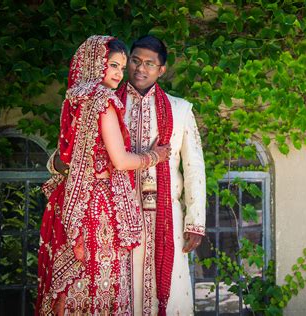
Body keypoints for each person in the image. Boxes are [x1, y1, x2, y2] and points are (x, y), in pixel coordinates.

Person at [35, 35, 171, 315]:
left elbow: (64, 158)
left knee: (72, 283)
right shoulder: (103, 101)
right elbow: (120, 160)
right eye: (112, 65)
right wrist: (155, 156)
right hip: (98, 208)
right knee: (100, 280)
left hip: (72, 201)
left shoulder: (74, 99)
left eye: (122, 67)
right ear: (95, 64)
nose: (119, 75)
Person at [115, 35, 206, 315]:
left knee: (167, 293)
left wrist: (196, 222)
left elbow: (194, 168)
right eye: (135, 61)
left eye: (149, 64)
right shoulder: (110, 105)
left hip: (167, 217)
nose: (140, 69)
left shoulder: (180, 109)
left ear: (161, 70)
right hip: (116, 217)